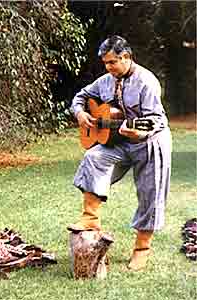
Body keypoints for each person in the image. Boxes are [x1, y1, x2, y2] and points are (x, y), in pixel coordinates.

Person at [67, 35, 172, 271]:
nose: (108, 67)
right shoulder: (105, 80)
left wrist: (139, 132)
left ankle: (142, 248)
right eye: (105, 63)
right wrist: (80, 114)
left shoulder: (147, 82)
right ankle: (90, 219)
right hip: (118, 141)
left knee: (150, 191)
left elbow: (155, 119)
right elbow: (80, 97)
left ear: (126, 57)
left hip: (149, 141)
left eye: (112, 62)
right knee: (94, 157)